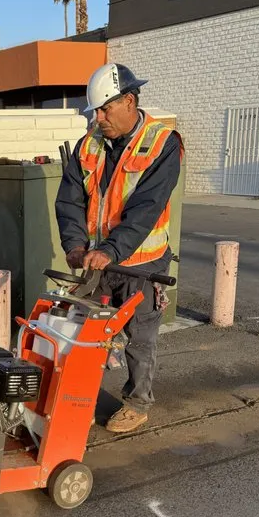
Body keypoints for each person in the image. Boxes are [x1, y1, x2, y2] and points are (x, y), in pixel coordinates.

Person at [55, 63, 184, 434]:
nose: (98, 117)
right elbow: (69, 200)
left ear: (129, 101)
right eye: (95, 110)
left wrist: (112, 249)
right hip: (101, 260)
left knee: (139, 338)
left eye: (105, 108)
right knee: (82, 327)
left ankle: (137, 403)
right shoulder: (89, 144)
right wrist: (75, 244)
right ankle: (74, 392)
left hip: (142, 263)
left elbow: (147, 207)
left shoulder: (163, 143)